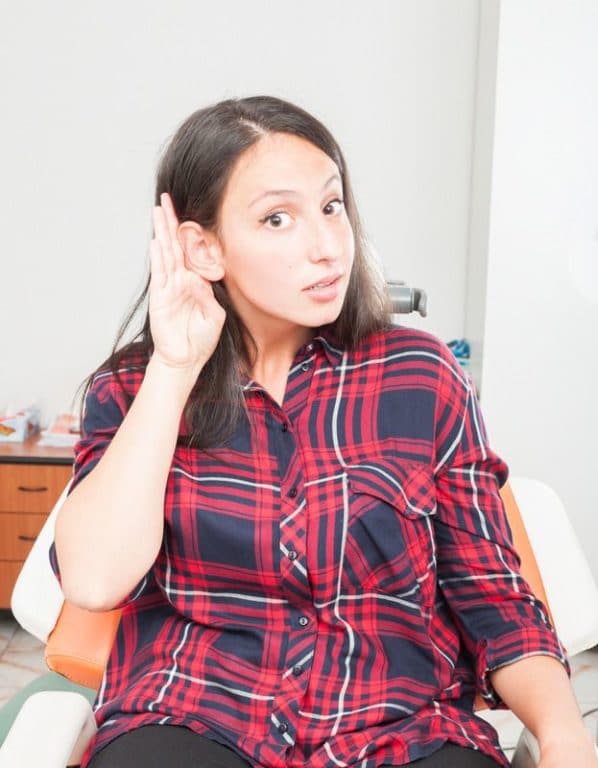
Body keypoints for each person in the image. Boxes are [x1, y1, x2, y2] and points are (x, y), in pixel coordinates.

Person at [49, 95, 596, 768]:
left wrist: (567, 738)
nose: (326, 245)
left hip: (401, 727)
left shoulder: (420, 377)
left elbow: (494, 598)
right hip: (194, 715)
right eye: (278, 218)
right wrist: (174, 366)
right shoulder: (133, 387)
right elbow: (95, 581)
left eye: (331, 206)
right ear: (203, 246)